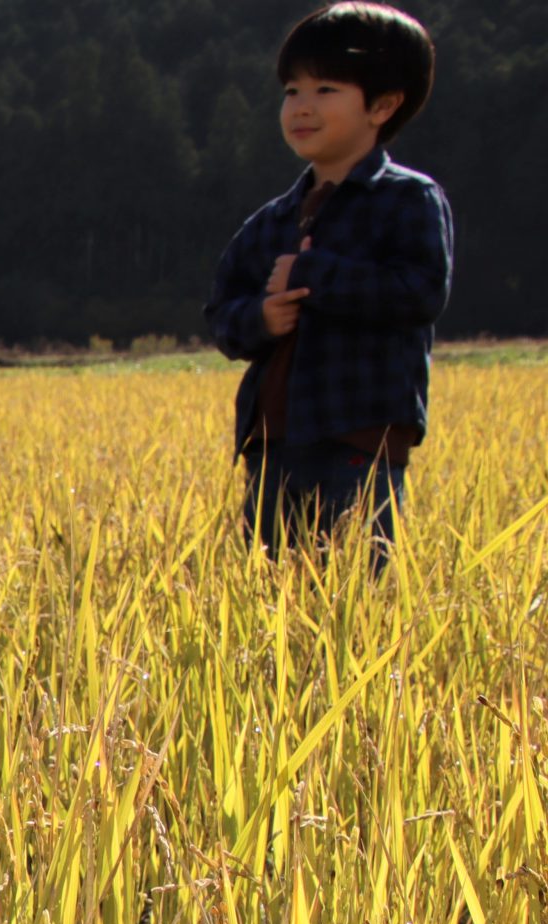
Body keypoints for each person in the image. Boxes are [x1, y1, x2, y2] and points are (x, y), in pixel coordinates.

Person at [203, 3, 451, 572]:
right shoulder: (271, 220)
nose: (302, 107)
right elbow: (222, 309)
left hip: (358, 444)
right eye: (292, 91)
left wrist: (311, 276)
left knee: (354, 595)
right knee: (265, 600)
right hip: (273, 445)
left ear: (383, 105)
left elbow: (419, 292)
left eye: (326, 89)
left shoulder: (408, 199)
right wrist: (261, 318)